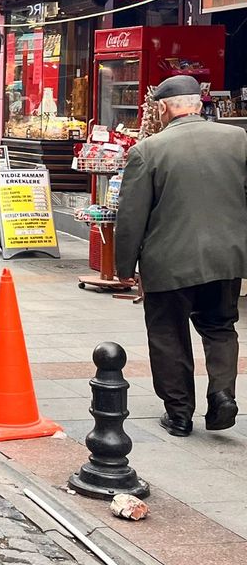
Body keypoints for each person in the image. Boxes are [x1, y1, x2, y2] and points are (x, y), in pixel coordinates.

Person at [115, 75, 246, 437]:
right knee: (220, 326)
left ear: (161, 108)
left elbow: (131, 217)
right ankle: (222, 394)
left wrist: (124, 267)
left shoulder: (149, 150)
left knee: (168, 334)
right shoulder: (238, 139)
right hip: (225, 258)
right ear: (201, 103)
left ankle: (179, 414)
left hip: (167, 261)